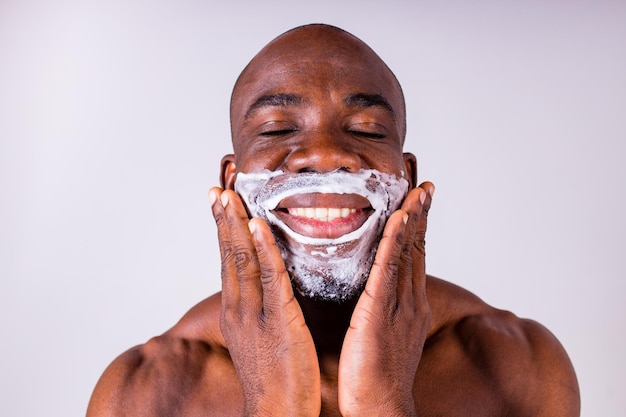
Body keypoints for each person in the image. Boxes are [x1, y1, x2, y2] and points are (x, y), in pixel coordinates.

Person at [86, 24, 580, 417]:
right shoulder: (145, 395)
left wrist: (384, 407)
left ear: (407, 179)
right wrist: (274, 408)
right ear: (231, 182)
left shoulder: (518, 367)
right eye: (277, 128)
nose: (325, 154)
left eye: (367, 131)